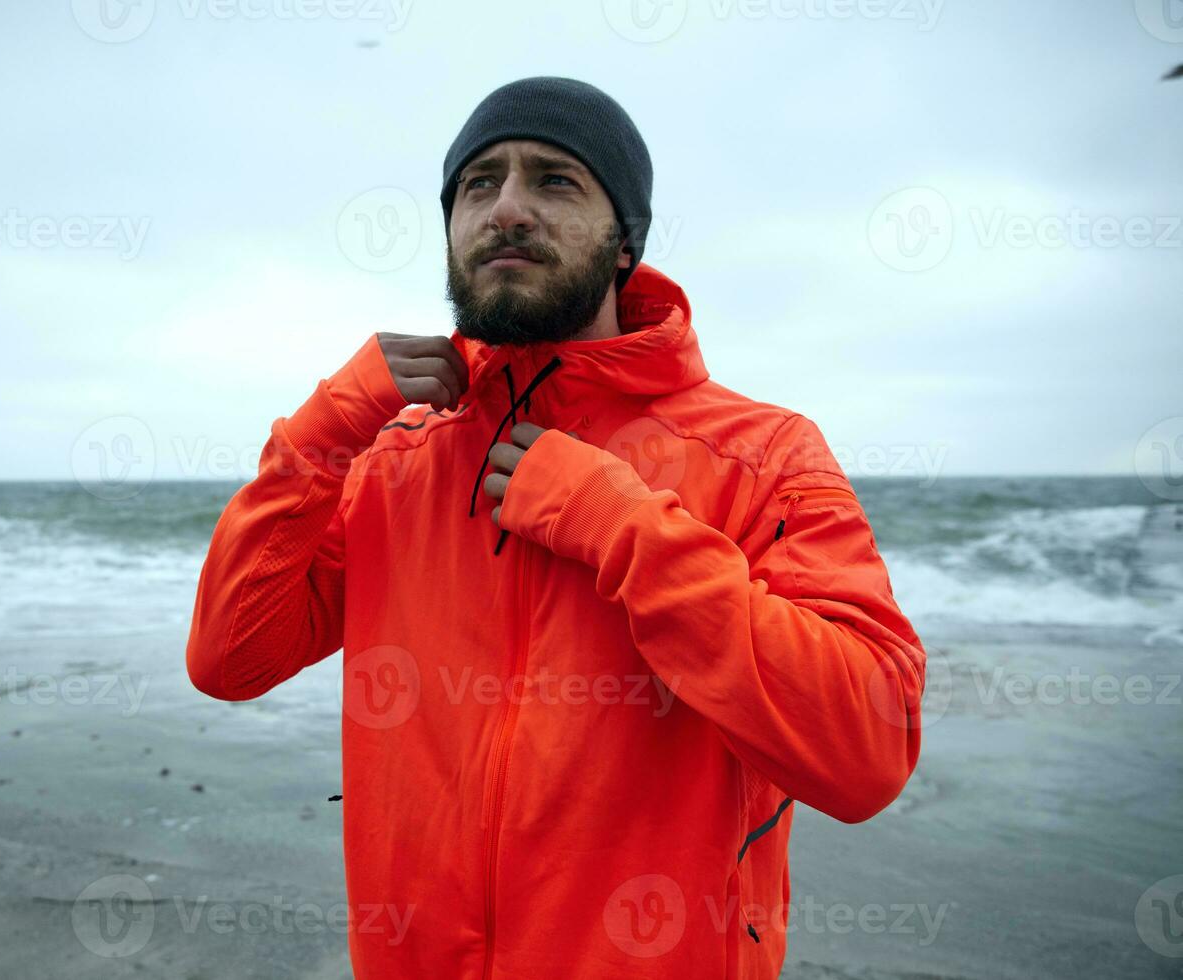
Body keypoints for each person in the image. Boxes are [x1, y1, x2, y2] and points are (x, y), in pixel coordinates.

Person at [187, 75, 927, 979]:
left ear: (625, 242)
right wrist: (328, 427)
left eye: (555, 181)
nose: (507, 209)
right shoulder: (394, 460)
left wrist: (619, 523)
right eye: (477, 184)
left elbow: (867, 747)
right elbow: (231, 659)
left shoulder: (762, 454)